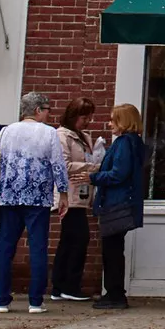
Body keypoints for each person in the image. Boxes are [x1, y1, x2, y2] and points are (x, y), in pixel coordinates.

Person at [0, 91, 70, 314]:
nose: (48, 114)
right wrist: (63, 193)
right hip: (38, 198)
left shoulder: (6, 132)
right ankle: (35, 301)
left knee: (5, 248)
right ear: (37, 110)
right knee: (38, 248)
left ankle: (2, 300)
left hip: (9, 197)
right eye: (47, 110)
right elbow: (58, 165)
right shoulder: (49, 133)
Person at [89, 103, 148, 310]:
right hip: (123, 202)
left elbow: (118, 174)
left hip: (116, 203)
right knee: (114, 249)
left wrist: (93, 177)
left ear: (124, 121)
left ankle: (115, 294)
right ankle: (114, 292)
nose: (109, 123)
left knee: (111, 250)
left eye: (113, 119)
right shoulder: (134, 142)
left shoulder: (124, 142)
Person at [51, 98, 96, 302]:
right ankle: (70, 286)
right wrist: (92, 167)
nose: (87, 121)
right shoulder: (62, 135)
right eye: (84, 117)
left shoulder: (83, 136)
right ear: (73, 116)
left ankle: (59, 286)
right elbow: (63, 165)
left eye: (89, 117)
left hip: (82, 193)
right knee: (79, 238)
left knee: (69, 240)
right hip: (69, 195)